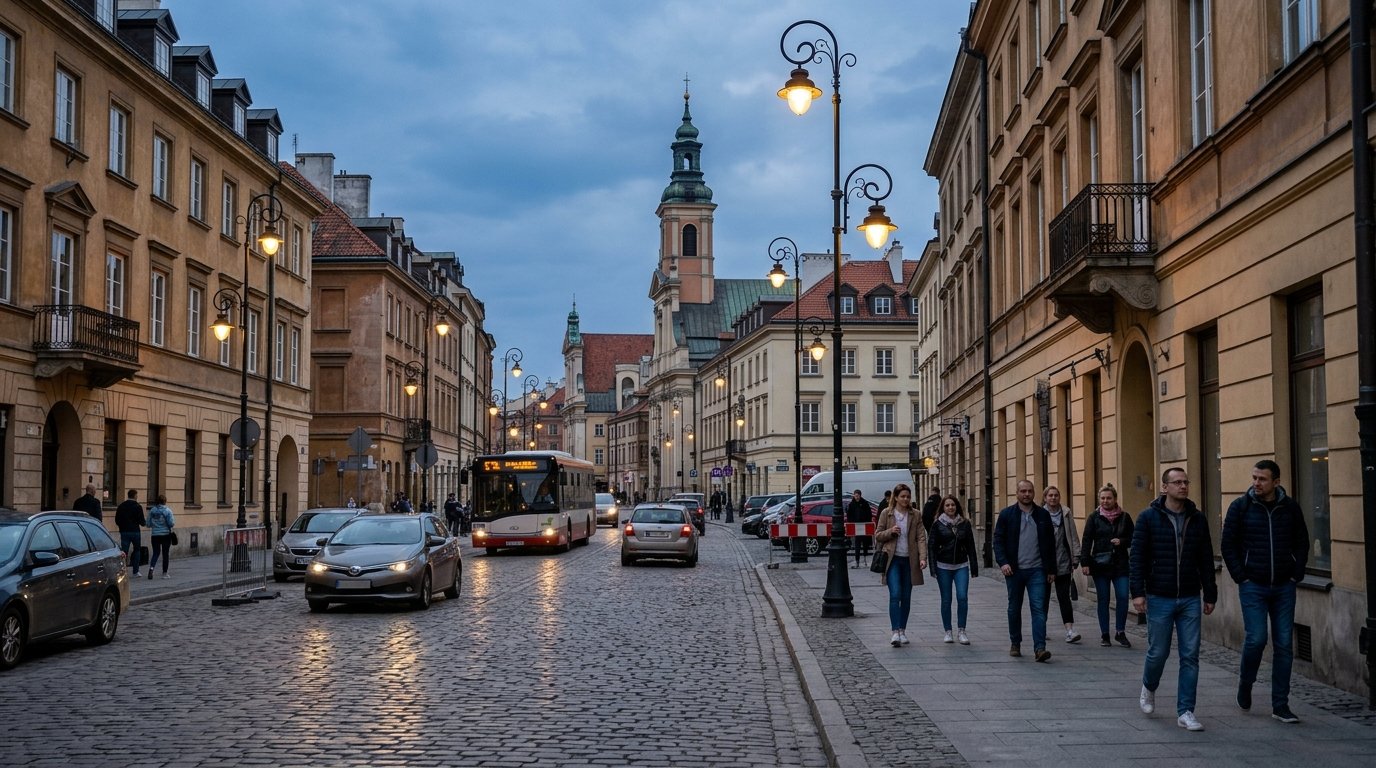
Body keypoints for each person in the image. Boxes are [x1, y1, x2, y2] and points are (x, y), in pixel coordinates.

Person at [1222, 459, 1308, 724]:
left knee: (1284, 645)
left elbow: (1302, 541)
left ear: (1276, 482)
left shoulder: (1290, 508)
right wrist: (1241, 577)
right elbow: (1228, 545)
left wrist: (1296, 572)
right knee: (1257, 638)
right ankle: (1245, 684)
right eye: (1254, 478)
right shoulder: (1241, 507)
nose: (1256, 483)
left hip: (1284, 585)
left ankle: (1280, 704)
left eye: (1262, 479)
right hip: (1253, 586)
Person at [1131, 467, 1217, 732]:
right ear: (1164, 487)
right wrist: (1138, 592)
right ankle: (1149, 685)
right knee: (1159, 652)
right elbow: (1137, 557)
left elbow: (1205, 556)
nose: (1183, 486)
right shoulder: (1148, 518)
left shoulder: (1197, 519)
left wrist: (1210, 592)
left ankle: (1186, 711)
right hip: (1160, 595)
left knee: (1190, 655)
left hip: (1190, 596)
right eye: (1177, 482)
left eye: (1185, 482)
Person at [992, 479, 1056, 662]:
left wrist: (1051, 569)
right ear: (1017, 493)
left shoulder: (1043, 515)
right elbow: (998, 541)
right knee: (1014, 608)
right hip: (1014, 570)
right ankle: (1015, 642)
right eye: (1023, 491)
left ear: (1034, 493)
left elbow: (1051, 544)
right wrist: (1003, 563)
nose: (1027, 494)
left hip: (1037, 570)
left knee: (1038, 608)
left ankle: (1040, 648)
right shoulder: (1007, 515)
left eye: (1029, 491)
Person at [1080, 483, 1134, 648]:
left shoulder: (1125, 517)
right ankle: (1105, 634)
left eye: (1109, 498)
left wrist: (1122, 541)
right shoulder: (1094, 517)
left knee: (1123, 597)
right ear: (1099, 500)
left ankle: (1120, 631)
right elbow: (1087, 540)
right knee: (1103, 599)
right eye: (1102, 498)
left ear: (1115, 499)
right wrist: (1085, 562)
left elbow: (1135, 538)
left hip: (1120, 564)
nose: (1105, 501)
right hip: (1100, 564)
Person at [874, 483, 927, 647]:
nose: (905, 499)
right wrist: (891, 532)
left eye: (908, 496)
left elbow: (921, 537)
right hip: (893, 559)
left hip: (909, 560)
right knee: (895, 594)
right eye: (902, 496)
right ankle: (895, 631)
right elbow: (877, 535)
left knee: (906, 596)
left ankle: (903, 630)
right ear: (895, 497)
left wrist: (922, 557)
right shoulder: (886, 513)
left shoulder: (916, 514)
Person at [928, 494, 978, 644]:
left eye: (953, 505)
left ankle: (962, 630)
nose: (951, 507)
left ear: (957, 507)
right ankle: (948, 631)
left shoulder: (965, 524)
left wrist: (974, 567)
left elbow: (970, 546)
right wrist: (932, 568)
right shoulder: (937, 524)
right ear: (943, 508)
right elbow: (932, 546)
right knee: (946, 599)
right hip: (943, 565)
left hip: (961, 565)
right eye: (947, 505)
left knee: (962, 597)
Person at [1044, 486, 1082, 644]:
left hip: (1064, 561)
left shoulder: (1066, 513)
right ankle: (1042, 627)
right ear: (1045, 498)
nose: (1053, 498)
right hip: (1044, 564)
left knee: (1063, 597)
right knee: (1043, 597)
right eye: (1050, 495)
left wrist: (1076, 556)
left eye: (1056, 495)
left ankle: (1070, 630)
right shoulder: (1040, 514)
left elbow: (1073, 534)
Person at [114, 489, 146, 577]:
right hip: (135, 531)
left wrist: (122, 526)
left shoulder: (121, 506)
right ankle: (136, 571)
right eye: (137, 495)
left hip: (124, 532)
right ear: (135, 496)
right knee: (137, 550)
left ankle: (123, 571)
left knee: (124, 552)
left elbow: (117, 520)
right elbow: (142, 522)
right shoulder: (137, 506)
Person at [146, 493, 175, 579]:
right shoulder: (168, 511)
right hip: (165, 535)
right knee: (165, 554)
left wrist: (154, 525)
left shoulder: (152, 511)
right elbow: (171, 523)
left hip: (155, 535)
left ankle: (151, 569)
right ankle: (165, 573)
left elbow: (148, 524)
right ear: (165, 501)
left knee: (156, 553)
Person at [845, 489, 874, 568]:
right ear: (854, 496)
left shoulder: (864, 503)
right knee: (857, 544)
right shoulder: (852, 504)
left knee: (865, 544)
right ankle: (857, 561)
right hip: (856, 526)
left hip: (864, 525)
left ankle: (865, 559)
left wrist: (867, 522)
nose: (857, 497)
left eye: (858, 496)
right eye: (855, 496)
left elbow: (869, 514)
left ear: (860, 495)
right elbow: (849, 515)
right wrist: (851, 522)